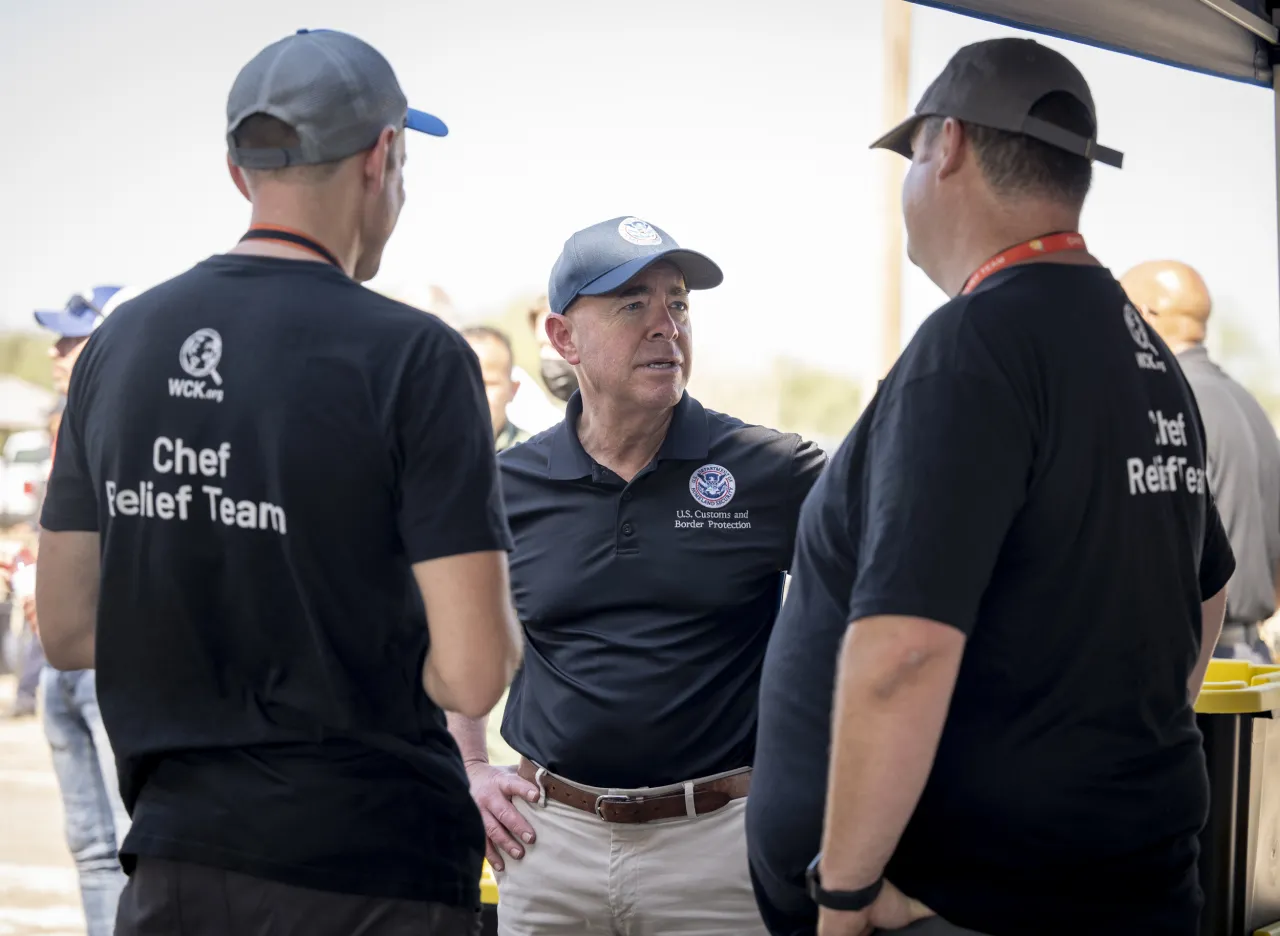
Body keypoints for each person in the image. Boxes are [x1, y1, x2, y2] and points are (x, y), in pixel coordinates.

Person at [35, 28, 521, 936]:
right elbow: (473, 672)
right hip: (374, 869)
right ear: (382, 158)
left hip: (178, 864)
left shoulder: (119, 346)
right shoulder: (418, 358)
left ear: (239, 171)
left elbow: (63, 629)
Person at [748, 38, 1233, 936]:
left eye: (912, 157)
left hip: (964, 907)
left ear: (951, 145)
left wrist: (846, 896)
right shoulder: (1143, 350)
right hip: (1121, 884)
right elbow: (1209, 587)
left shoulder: (975, 347)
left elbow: (904, 652)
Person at [448, 215, 828, 936]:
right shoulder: (505, 485)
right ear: (564, 339)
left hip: (720, 853)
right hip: (546, 846)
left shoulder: (768, 470)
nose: (667, 326)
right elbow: (449, 636)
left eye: (678, 303)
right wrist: (468, 763)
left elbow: (886, 582)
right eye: (633, 305)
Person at [29, 288, 134, 936]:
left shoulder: (134, 415)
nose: (55, 350)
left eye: (70, 338)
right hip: (60, 658)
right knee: (92, 847)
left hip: (109, 656)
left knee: (129, 847)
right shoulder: (66, 418)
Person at [1122, 260, 1280, 663]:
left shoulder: (1167, 403)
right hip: (1255, 657)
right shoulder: (1249, 405)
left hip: (1196, 658)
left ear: (1143, 315)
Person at [462, 325, 531, 452]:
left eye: (488, 384)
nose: (474, 395)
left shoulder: (533, 460)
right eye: (462, 383)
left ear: (513, 390)